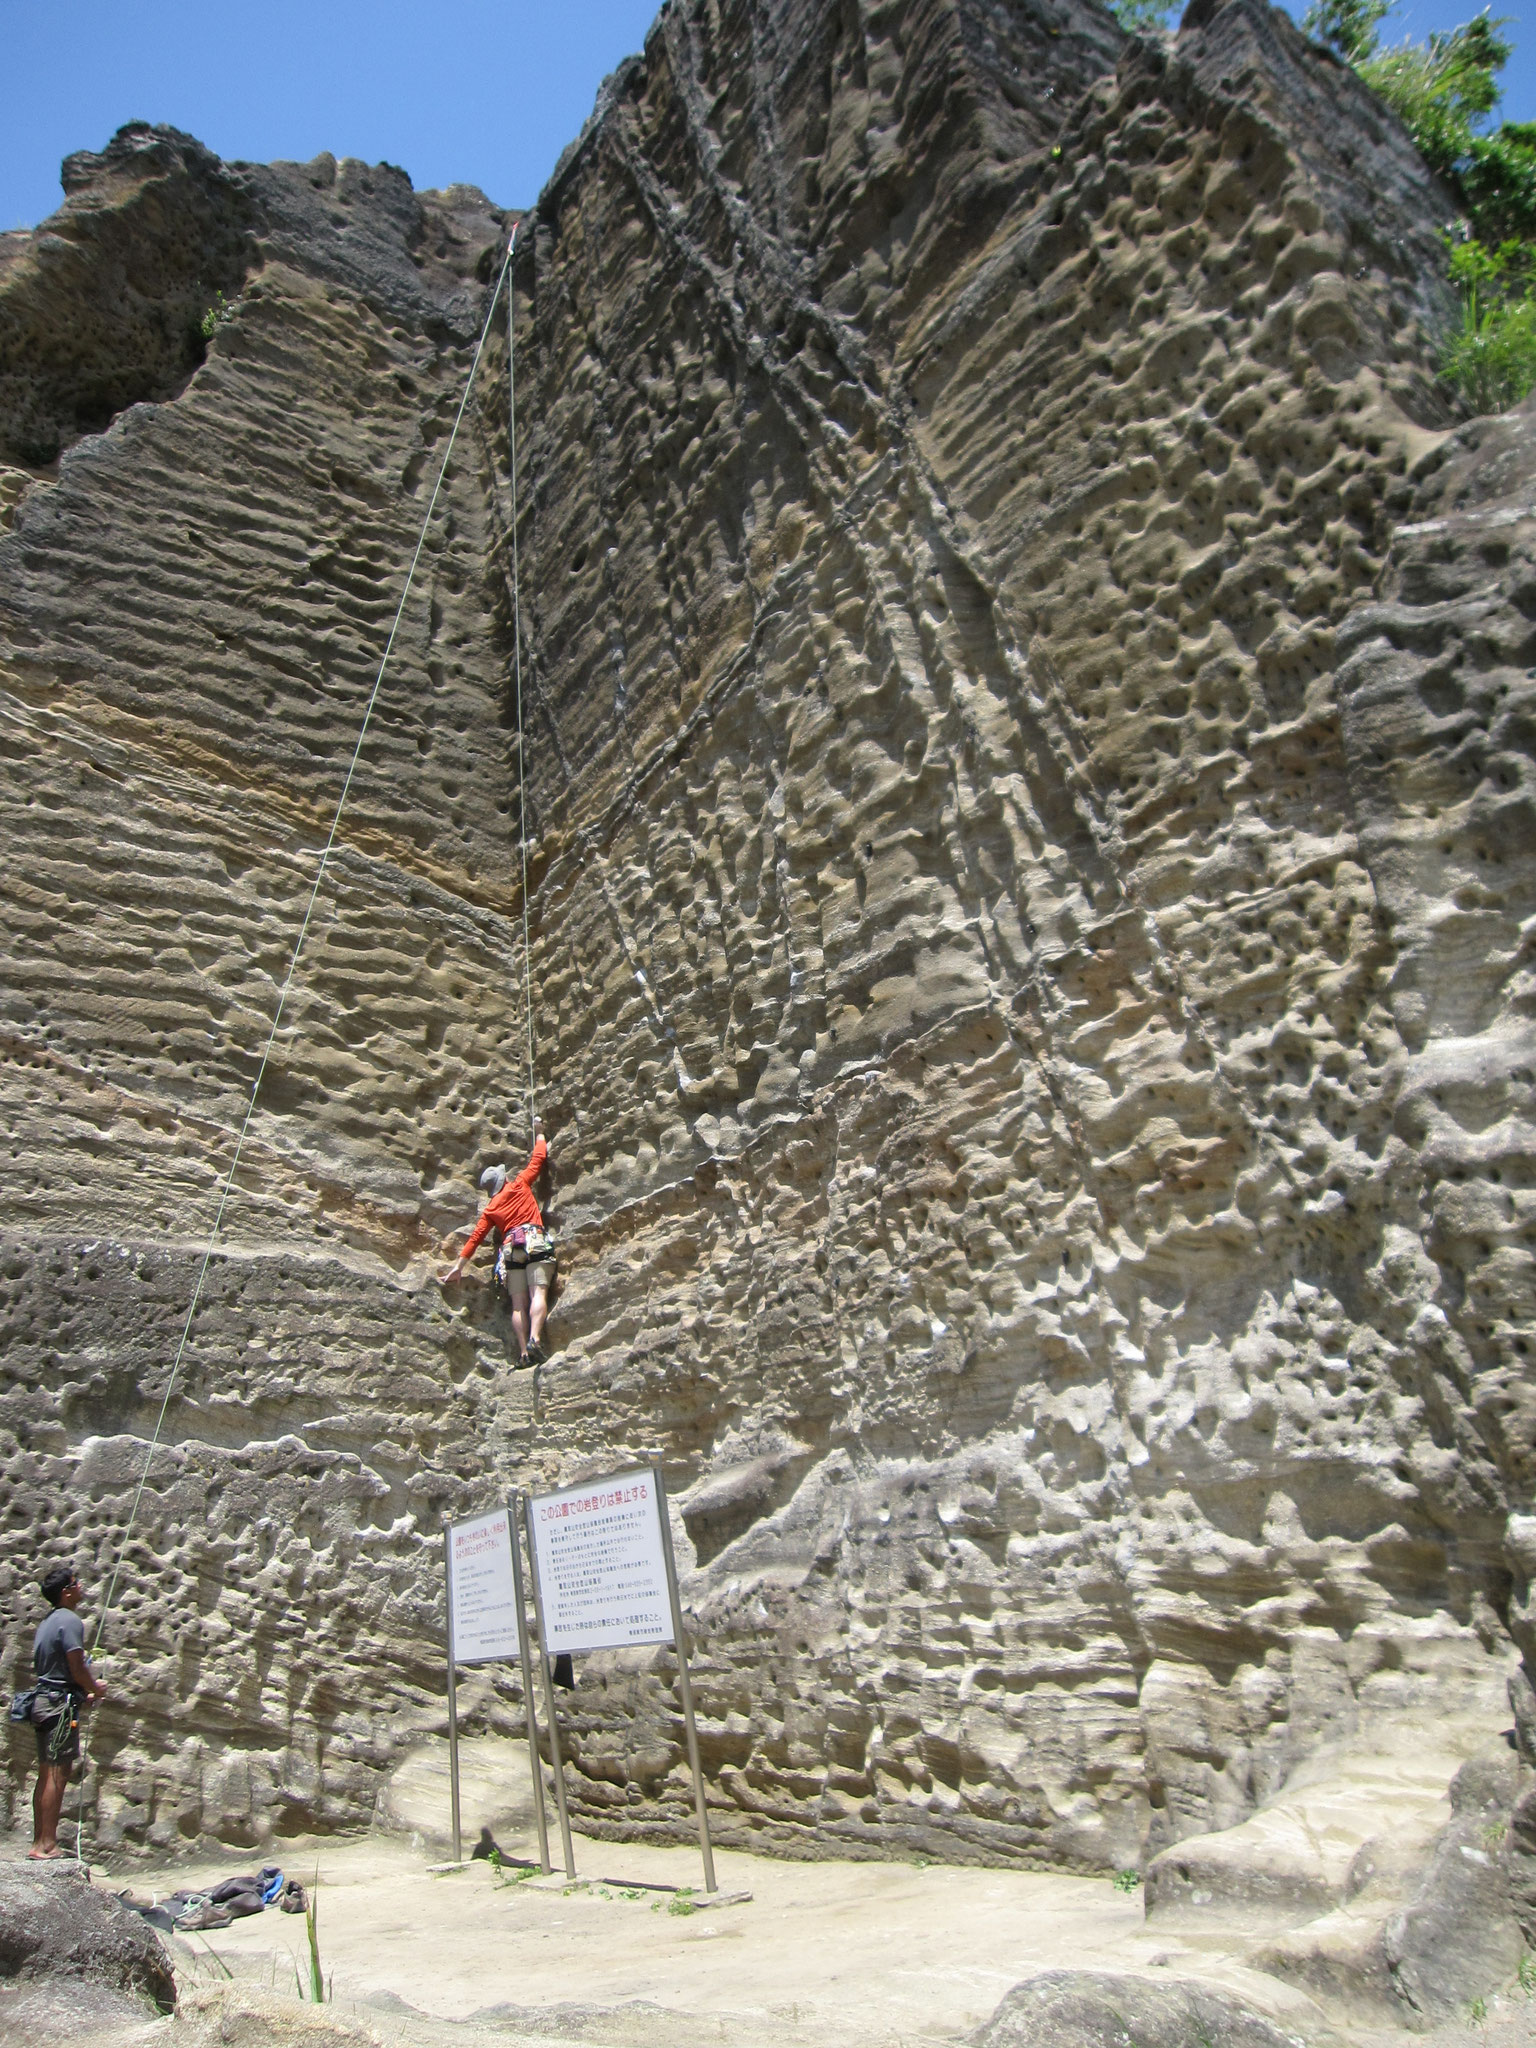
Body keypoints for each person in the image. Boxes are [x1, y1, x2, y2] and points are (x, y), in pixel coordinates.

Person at [442, 1121, 556, 1365]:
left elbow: (476, 1238)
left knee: (517, 1304)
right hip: (534, 1239)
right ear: (504, 1179)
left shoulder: (491, 1209)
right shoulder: (519, 1184)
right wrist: (540, 1133)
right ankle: (535, 1339)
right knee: (538, 1292)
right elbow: (539, 1158)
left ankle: (523, 1353)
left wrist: (459, 1267)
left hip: (510, 1249)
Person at [27, 1564, 107, 1860]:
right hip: (59, 1706)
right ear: (67, 1591)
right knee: (57, 1775)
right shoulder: (71, 1621)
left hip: (43, 1701)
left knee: (46, 1773)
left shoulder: (48, 1621)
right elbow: (76, 1664)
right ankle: (47, 1845)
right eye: (77, 1582)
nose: (81, 1586)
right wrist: (95, 1687)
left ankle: (40, 1841)